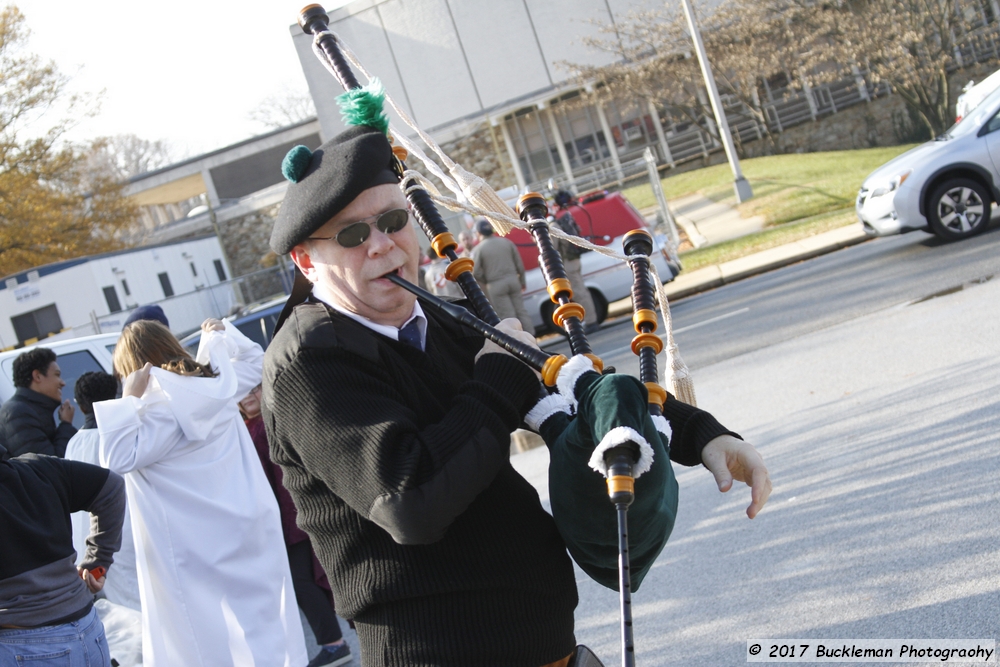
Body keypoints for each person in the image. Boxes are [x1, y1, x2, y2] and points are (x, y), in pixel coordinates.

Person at [262, 125, 771, 667]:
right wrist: (499, 376)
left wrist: (702, 433)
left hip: (547, 644)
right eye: (350, 235)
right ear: (305, 260)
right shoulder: (309, 359)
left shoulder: (432, 318)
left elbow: (574, 386)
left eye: (392, 221)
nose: (382, 244)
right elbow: (409, 500)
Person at [95, 318, 308, 667]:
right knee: (264, 620)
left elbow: (115, 457)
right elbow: (256, 361)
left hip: (192, 546)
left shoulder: (154, 413)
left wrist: (128, 399)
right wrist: (222, 335)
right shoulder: (216, 385)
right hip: (246, 521)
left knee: (201, 639)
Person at [239, 384, 353, 667]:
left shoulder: (264, 427)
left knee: (303, 582)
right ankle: (334, 643)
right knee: (304, 582)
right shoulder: (248, 428)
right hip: (284, 519)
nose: (248, 396)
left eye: (253, 389)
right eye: (241, 391)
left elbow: (279, 481)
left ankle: (334, 644)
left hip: (291, 519)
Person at [0, 442, 125, 666]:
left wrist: (97, 561)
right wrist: (98, 563)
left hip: (23, 645)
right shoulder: (37, 467)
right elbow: (112, 486)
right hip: (89, 630)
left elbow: (111, 488)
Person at [65, 371, 142, 612]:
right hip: (126, 539)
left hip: (86, 544)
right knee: (140, 609)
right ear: (115, 396)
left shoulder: (73, 442)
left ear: (79, 405)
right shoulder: (117, 438)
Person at [0, 347, 76, 457]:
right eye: (57, 375)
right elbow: (49, 467)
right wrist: (66, 425)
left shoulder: (31, 409)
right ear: (38, 376)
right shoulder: (18, 413)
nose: (63, 383)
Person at [471, 217, 535, 333]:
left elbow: (476, 272)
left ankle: (519, 342)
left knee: (508, 316)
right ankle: (531, 335)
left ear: (478, 233)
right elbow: (519, 264)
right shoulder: (506, 242)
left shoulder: (479, 249)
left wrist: (487, 281)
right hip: (513, 280)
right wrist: (522, 282)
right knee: (521, 311)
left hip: (495, 284)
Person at [551, 190, 598, 330]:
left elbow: (552, 247)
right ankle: (589, 320)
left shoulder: (553, 226)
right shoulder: (563, 219)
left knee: (578, 292)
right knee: (580, 290)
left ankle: (591, 322)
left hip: (567, 263)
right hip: (573, 260)